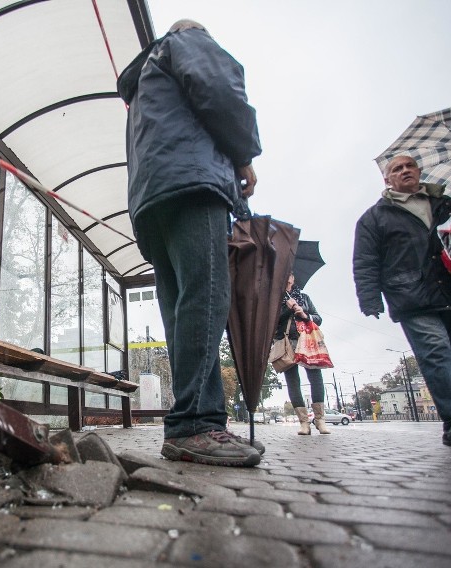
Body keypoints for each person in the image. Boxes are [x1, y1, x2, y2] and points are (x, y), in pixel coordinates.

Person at [116, 20, 262, 466]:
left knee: (183, 307)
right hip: (192, 186)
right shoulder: (184, 42)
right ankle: (193, 425)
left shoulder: (143, 83)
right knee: (207, 297)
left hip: (152, 199)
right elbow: (220, 92)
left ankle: (202, 422)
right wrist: (244, 155)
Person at [353, 155, 451, 450]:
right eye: (397, 168)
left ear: (419, 172)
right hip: (410, 294)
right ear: (387, 179)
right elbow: (365, 261)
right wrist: (369, 298)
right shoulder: (375, 217)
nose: (405, 170)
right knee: (436, 353)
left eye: (410, 166)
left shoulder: (448, 206)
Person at [275, 273, 330, 435]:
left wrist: (304, 315)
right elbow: (273, 322)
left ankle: (320, 420)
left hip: (307, 341)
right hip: (287, 343)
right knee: (293, 382)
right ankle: (304, 423)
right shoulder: (276, 299)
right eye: (284, 272)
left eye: (290, 273)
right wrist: (287, 308)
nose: (287, 276)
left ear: (293, 278)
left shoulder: (304, 297)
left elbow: (318, 318)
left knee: (316, 378)